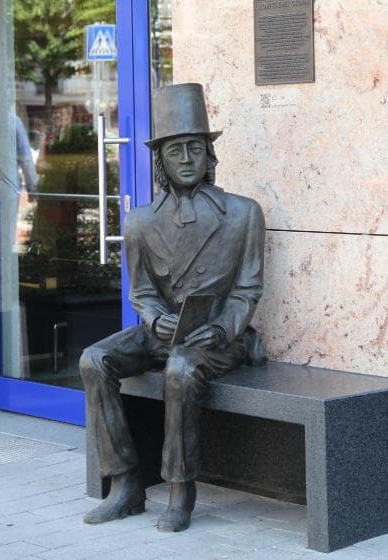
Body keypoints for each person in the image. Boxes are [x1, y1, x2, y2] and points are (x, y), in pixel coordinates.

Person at [80, 83, 265, 532]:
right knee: (94, 359)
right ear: (160, 158)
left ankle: (181, 491)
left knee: (181, 368)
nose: (186, 158)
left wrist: (222, 329)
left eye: (196, 148)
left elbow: (248, 290)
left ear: (210, 155)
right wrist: (153, 317)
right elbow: (142, 291)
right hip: (162, 330)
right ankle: (125, 485)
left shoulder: (243, 214)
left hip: (217, 337)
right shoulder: (141, 221)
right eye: (176, 150)